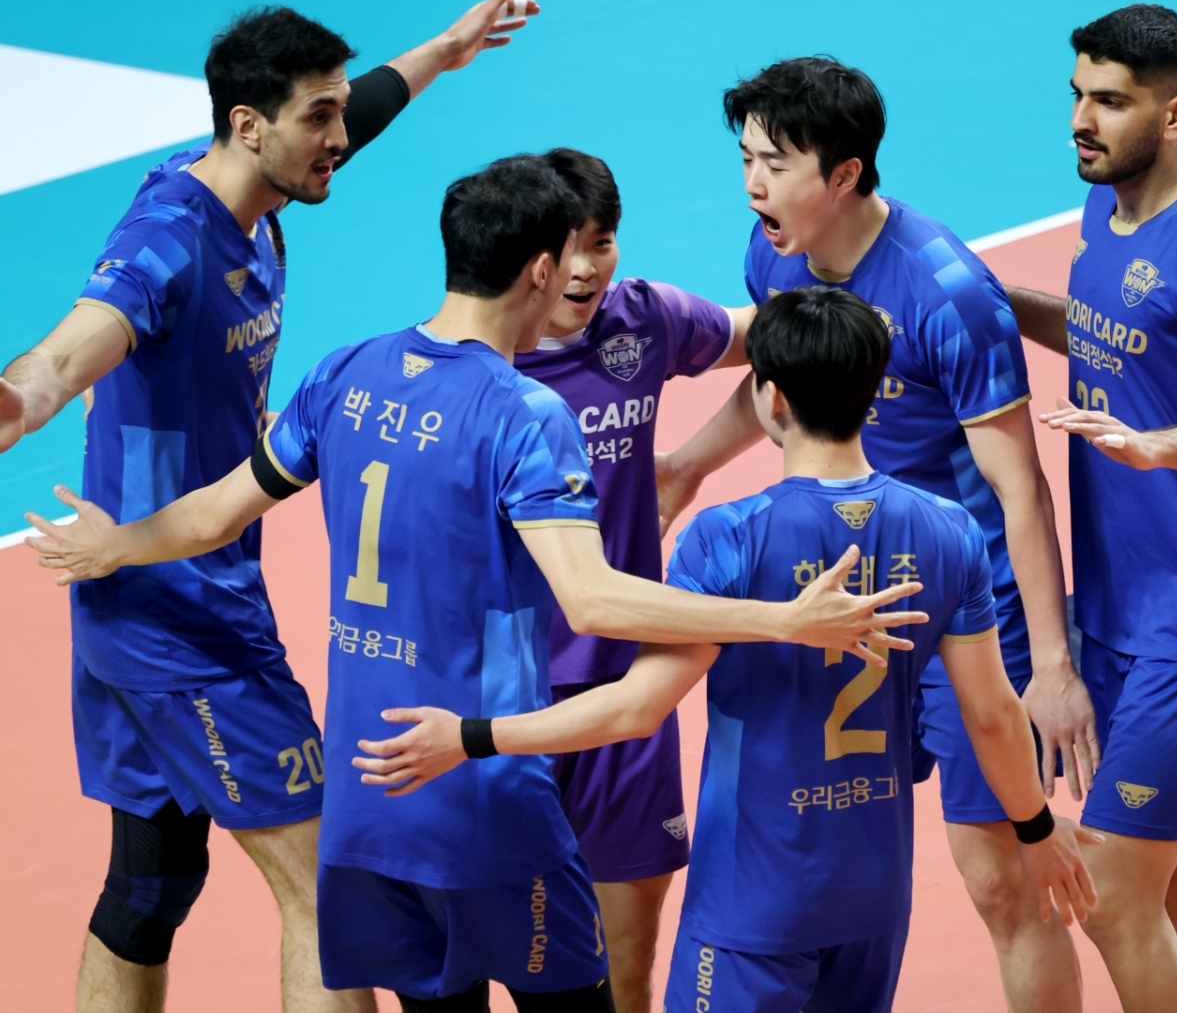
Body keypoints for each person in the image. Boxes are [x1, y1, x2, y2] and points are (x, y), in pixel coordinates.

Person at [26, 158, 929, 1011]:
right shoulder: (525, 412)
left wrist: (117, 544)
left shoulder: (343, 371)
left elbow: (213, 516)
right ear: (539, 270)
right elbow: (592, 599)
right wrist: (782, 618)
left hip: (370, 796)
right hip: (483, 794)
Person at [0, 0, 539, 1013]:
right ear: (250, 127)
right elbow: (65, 357)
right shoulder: (167, 242)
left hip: (142, 600)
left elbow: (359, 114)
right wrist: (18, 401)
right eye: (317, 116)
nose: (338, 137)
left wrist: (445, 49)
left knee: (150, 885)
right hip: (180, 618)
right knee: (330, 889)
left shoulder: (254, 189)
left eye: (337, 111)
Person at [341, 286, 1101, 1013]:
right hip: (873, 892)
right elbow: (993, 715)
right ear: (872, 393)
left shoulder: (728, 537)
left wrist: (470, 737)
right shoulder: (948, 531)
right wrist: (1036, 828)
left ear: (772, 399)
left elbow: (637, 709)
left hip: (753, 899)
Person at [654, 56, 1098, 1012]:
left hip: (959, 599)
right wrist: (686, 464)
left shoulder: (948, 294)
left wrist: (1051, 664)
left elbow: (1019, 487)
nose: (753, 184)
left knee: (1005, 882)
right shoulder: (774, 252)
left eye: (775, 163)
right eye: (746, 159)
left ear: (845, 173)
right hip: (843, 593)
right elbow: (785, 376)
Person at [512, 148, 753, 1013]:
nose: (585, 268)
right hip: (512, 690)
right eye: (567, 246)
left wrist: (688, 463)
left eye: (602, 241)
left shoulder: (644, 320)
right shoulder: (484, 358)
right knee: (524, 955)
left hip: (629, 686)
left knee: (627, 954)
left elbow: (780, 340)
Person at [1006, 4, 1177, 1012]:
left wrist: (1161, 444)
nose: (1082, 120)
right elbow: (1098, 328)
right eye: (1078, 95)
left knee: (1113, 891)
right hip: (1117, 612)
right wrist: (991, 302)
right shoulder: (1102, 212)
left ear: (1175, 113)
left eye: (1111, 102)